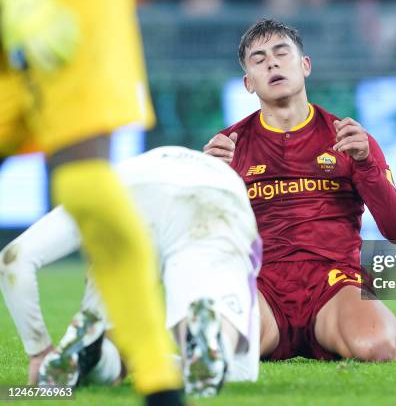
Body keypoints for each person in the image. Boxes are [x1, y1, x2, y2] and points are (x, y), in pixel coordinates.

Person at [0, 0, 183, 403]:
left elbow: (363, 209)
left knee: (87, 187)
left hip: (331, 283)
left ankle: (159, 382)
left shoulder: (349, 141)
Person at [204, 19, 396, 362]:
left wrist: (365, 165)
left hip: (333, 284)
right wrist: (207, 185)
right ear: (248, 83)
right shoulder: (227, 148)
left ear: (305, 65)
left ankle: (386, 334)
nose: (272, 62)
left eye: (281, 53)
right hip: (262, 287)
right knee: (220, 350)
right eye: (258, 59)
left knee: (376, 347)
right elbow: (205, 244)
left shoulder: (349, 138)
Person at [0, 146, 261, 397]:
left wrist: (39, 351)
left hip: (130, 187)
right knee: (238, 369)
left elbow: (12, 260)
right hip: (215, 193)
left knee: (111, 323)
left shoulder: (92, 188)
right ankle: (209, 340)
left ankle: (97, 353)